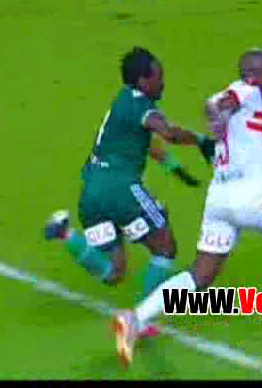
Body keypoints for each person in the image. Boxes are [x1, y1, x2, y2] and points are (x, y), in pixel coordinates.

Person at [112, 48, 262, 367]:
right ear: (259, 77)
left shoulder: (249, 106)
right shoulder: (247, 90)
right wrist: (218, 114)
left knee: (201, 274)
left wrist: (226, 118)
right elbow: (221, 103)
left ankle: (136, 318)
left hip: (219, 201)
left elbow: (220, 106)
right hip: (250, 197)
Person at [44, 47, 216, 338]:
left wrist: (175, 169)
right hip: (121, 190)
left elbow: (146, 145)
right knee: (165, 247)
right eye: (158, 77)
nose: (162, 83)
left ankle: (65, 234)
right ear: (142, 80)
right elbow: (168, 132)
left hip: (92, 193)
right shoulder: (139, 105)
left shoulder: (122, 104)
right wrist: (201, 141)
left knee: (114, 272)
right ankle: (142, 319)